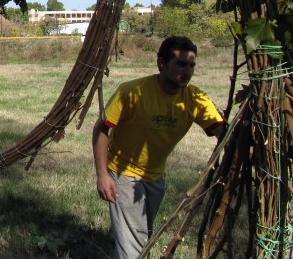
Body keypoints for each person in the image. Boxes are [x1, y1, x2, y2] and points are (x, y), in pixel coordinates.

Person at [92, 36, 226, 259]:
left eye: (192, 65)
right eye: (181, 64)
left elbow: (224, 132)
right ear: (161, 64)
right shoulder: (132, 92)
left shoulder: (195, 99)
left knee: (139, 238)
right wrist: (102, 175)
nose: (188, 71)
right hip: (124, 175)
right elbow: (102, 129)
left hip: (156, 178)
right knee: (133, 248)